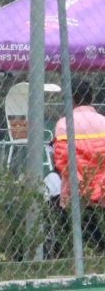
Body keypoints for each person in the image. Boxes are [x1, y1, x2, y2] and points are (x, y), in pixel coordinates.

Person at [53, 79, 105, 249]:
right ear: (92, 97)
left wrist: (80, 183)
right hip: (103, 192)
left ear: (70, 99)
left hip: (76, 193)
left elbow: (63, 161)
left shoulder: (64, 124)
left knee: (76, 239)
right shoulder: (103, 122)